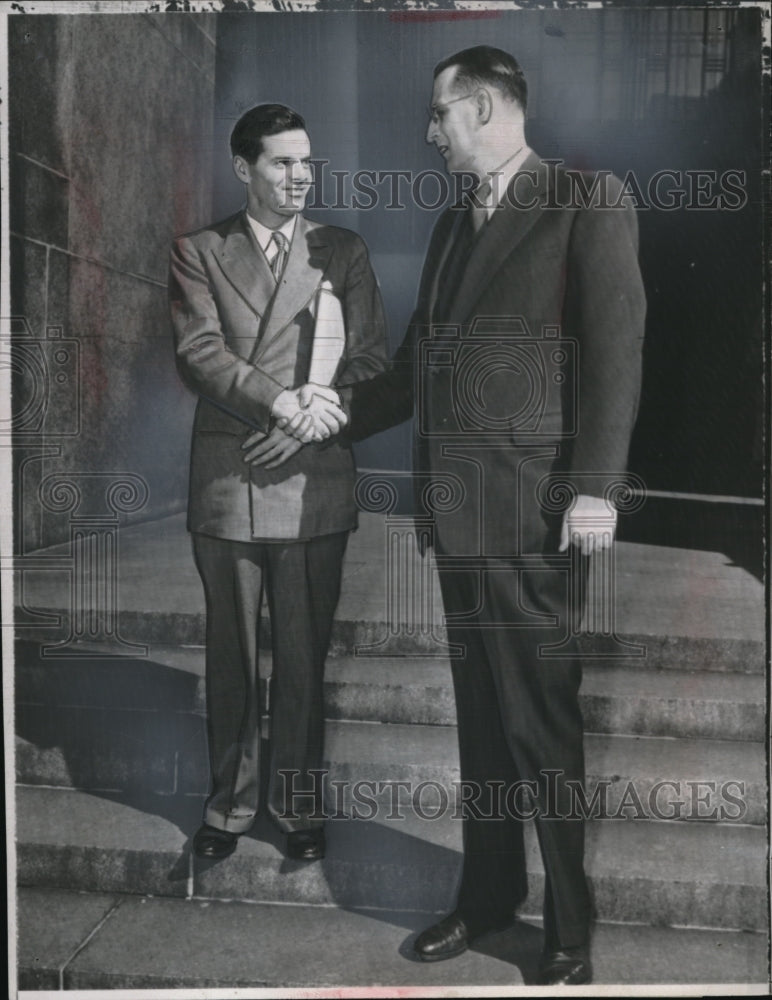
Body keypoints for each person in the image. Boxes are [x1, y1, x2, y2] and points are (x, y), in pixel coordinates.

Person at [274, 46, 645, 985]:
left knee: (540, 724)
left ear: (483, 109)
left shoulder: (585, 201)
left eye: (439, 114)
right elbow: (414, 370)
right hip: (460, 517)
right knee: (482, 726)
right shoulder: (453, 222)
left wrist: (596, 487)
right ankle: (487, 898)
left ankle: (570, 925)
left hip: (532, 516)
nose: (429, 132)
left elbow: (615, 349)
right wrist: (329, 411)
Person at [169, 104, 387, 864]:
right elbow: (200, 353)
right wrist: (280, 403)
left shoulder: (342, 251)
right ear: (244, 168)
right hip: (230, 480)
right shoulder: (200, 251)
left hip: (312, 478)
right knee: (232, 655)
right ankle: (228, 806)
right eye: (282, 162)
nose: (300, 177)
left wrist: (305, 423)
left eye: (306, 162)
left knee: (302, 655)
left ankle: (296, 805)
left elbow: (369, 361)